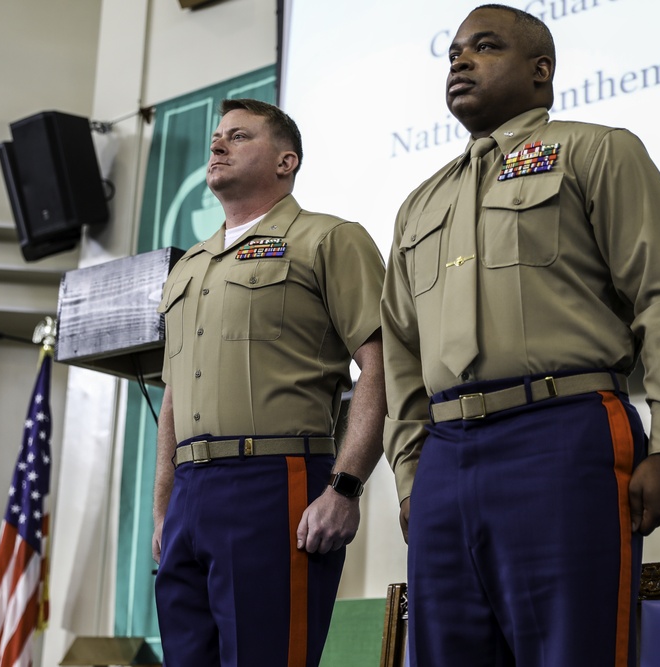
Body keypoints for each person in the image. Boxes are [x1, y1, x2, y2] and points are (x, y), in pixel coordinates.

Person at [380, 5, 660, 666]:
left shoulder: (595, 149)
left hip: (561, 435)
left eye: (485, 47)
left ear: (541, 71)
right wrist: (412, 473)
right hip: (445, 456)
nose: (461, 62)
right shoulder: (419, 204)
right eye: (453, 54)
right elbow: (398, 351)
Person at [152, 98, 386, 667]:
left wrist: (346, 487)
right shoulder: (188, 267)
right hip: (189, 494)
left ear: (286, 161)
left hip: (274, 480)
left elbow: (382, 366)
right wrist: (163, 510)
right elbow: (174, 397)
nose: (218, 145)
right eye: (216, 138)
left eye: (239, 136)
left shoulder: (328, 238)